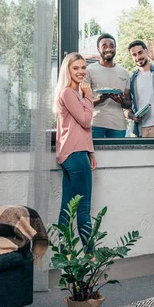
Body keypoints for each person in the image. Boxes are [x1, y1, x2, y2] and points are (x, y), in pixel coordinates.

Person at [53, 52, 96, 250]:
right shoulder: (69, 93)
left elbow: (81, 129)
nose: (80, 72)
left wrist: (91, 152)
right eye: (75, 68)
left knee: (67, 208)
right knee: (83, 208)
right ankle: (92, 258)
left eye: (83, 67)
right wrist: (89, 97)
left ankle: (65, 256)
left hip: (75, 154)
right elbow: (86, 121)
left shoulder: (71, 94)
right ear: (67, 70)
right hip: (75, 155)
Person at [86, 33, 131, 138]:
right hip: (95, 124)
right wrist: (100, 100)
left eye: (111, 46)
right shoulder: (89, 70)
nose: (108, 49)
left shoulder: (124, 72)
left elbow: (128, 103)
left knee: (117, 155)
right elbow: (83, 103)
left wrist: (122, 101)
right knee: (95, 155)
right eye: (104, 46)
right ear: (98, 49)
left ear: (115, 48)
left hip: (118, 126)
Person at [124, 40, 154, 138]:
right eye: (134, 55)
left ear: (146, 51)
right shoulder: (131, 79)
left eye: (140, 52)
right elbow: (126, 107)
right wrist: (132, 116)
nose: (138, 57)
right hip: (138, 129)